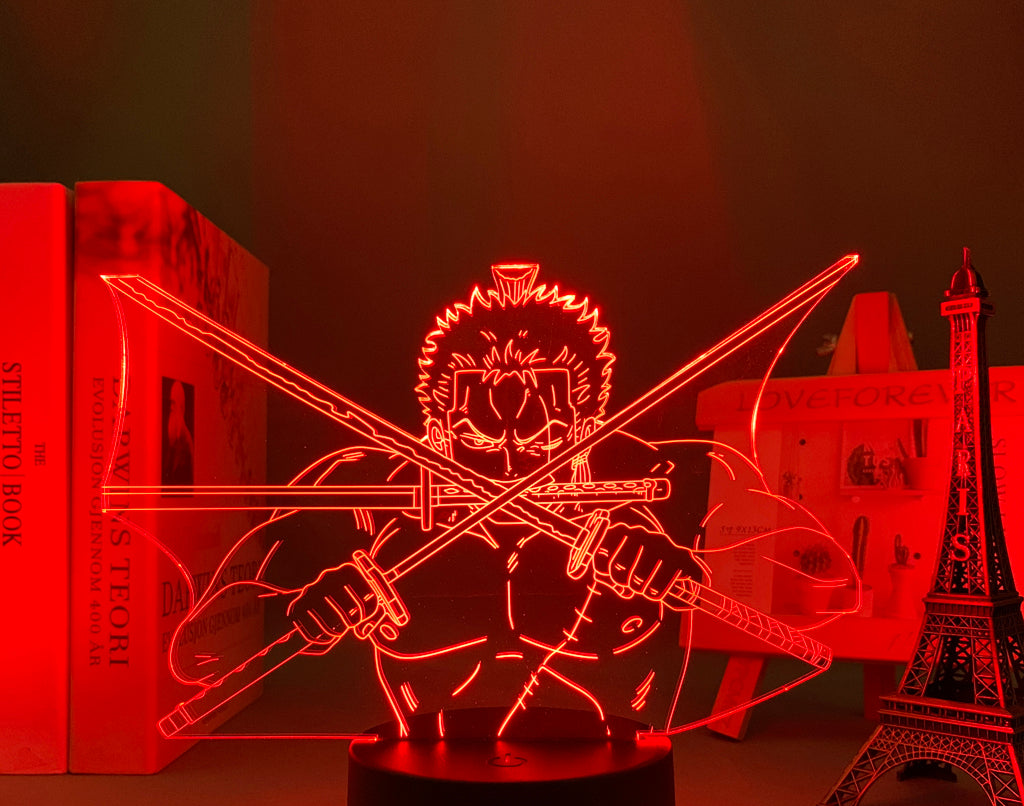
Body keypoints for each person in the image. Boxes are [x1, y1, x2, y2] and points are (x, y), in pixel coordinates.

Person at [171, 264, 852, 737]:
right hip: (428, 776)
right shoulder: (369, 489)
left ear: (585, 426)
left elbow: (834, 588)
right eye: (476, 436)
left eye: (541, 439)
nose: (506, 461)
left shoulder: (660, 475)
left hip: (611, 775)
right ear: (437, 426)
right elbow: (197, 659)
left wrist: (687, 570)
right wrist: (308, 606)